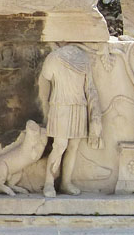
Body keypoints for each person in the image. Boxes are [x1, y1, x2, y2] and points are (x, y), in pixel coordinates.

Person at [38, 44, 103, 198]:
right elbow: (44, 82)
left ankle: (66, 183)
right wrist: (46, 106)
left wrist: (95, 114)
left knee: (73, 146)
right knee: (60, 145)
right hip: (61, 106)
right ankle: (49, 182)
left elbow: (90, 88)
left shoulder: (82, 59)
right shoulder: (55, 58)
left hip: (79, 107)